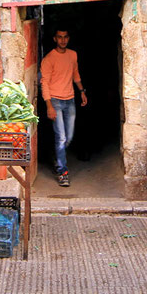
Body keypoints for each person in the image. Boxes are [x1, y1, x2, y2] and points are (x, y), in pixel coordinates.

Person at [40, 26, 87, 187]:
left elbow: (75, 74)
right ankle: (62, 172)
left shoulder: (73, 55)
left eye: (65, 36)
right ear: (55, 39)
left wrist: (82, 91)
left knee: (69, 137)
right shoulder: (48, 59)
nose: (63, 40)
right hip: (55, 101)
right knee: (61, 137)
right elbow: (44, 83)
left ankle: (56, 154)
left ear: (68, 38)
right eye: (59, 37)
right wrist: (49, 105)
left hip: (70, 100)